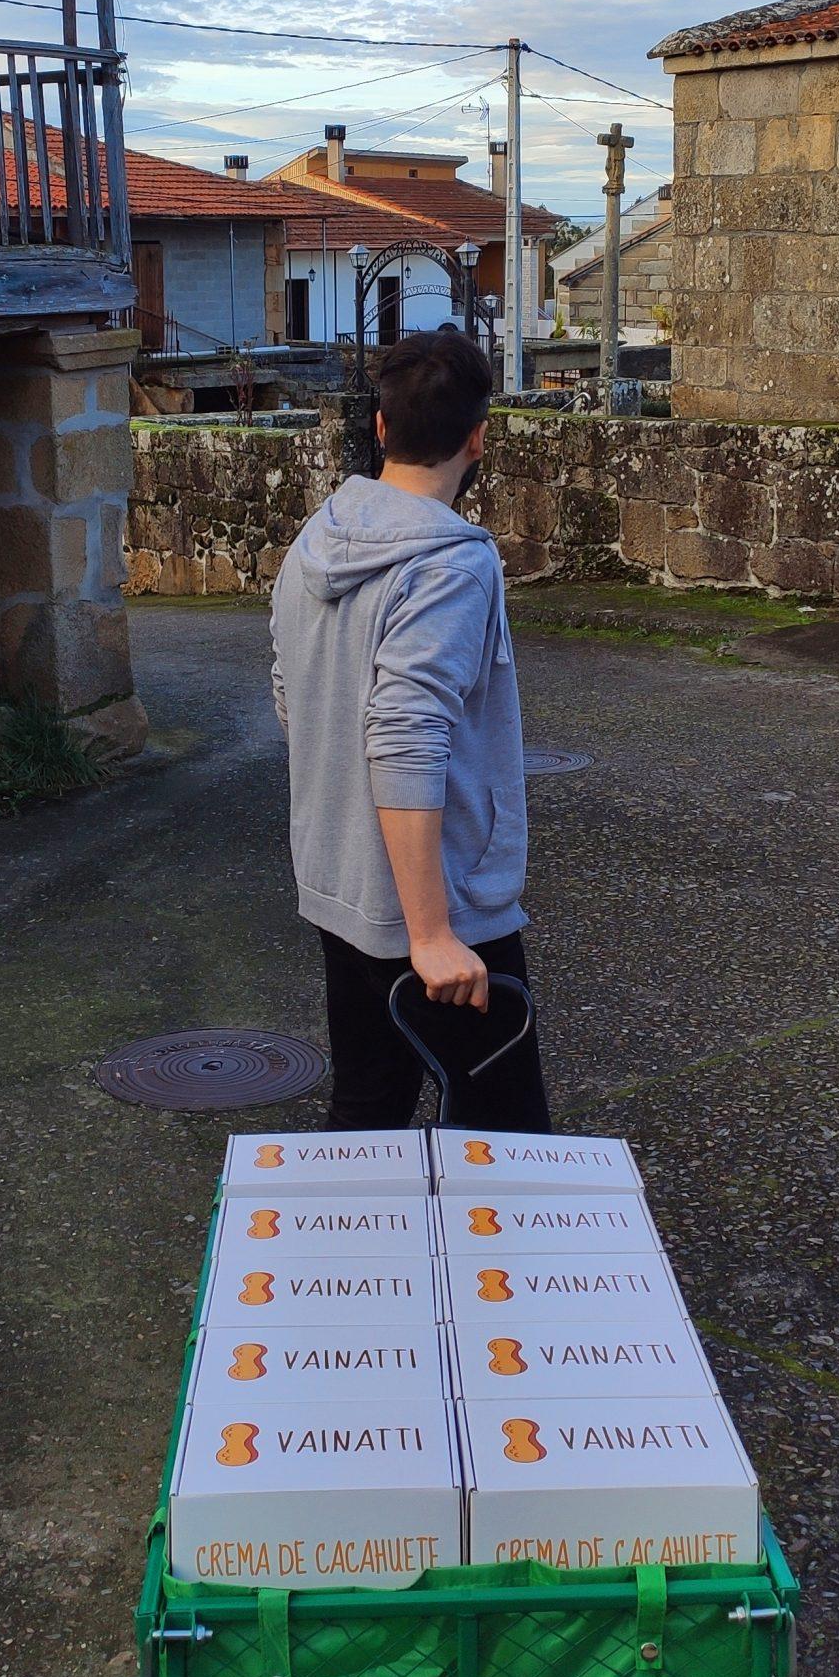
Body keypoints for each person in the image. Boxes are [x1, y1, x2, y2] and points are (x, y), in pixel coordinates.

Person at [270, 328, 551, 1131]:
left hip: (341, 893)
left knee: (369, 1118)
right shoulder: (454, 565)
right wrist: (431, 933)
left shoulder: (311, 542)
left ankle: (350, 1264)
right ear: (478, 438)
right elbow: (404, 734)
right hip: (440, 914)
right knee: (509, 1141)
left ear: (383, 429)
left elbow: (290, 695)